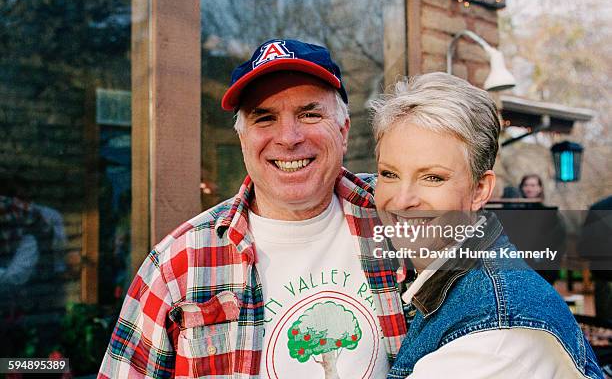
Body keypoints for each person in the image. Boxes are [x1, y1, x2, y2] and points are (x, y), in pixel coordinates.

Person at [98, 39, 407, 378]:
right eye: (265, 118)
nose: (288, 138)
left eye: (309, 113)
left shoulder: (400, 215)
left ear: (343, 131)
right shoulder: (178, 263)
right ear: (243, 140)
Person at [370, 73, 603, 379]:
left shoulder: (496, 338)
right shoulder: (452, 280)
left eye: (433, 177)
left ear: (480, 189)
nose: (402, 200)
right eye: (389, 174)